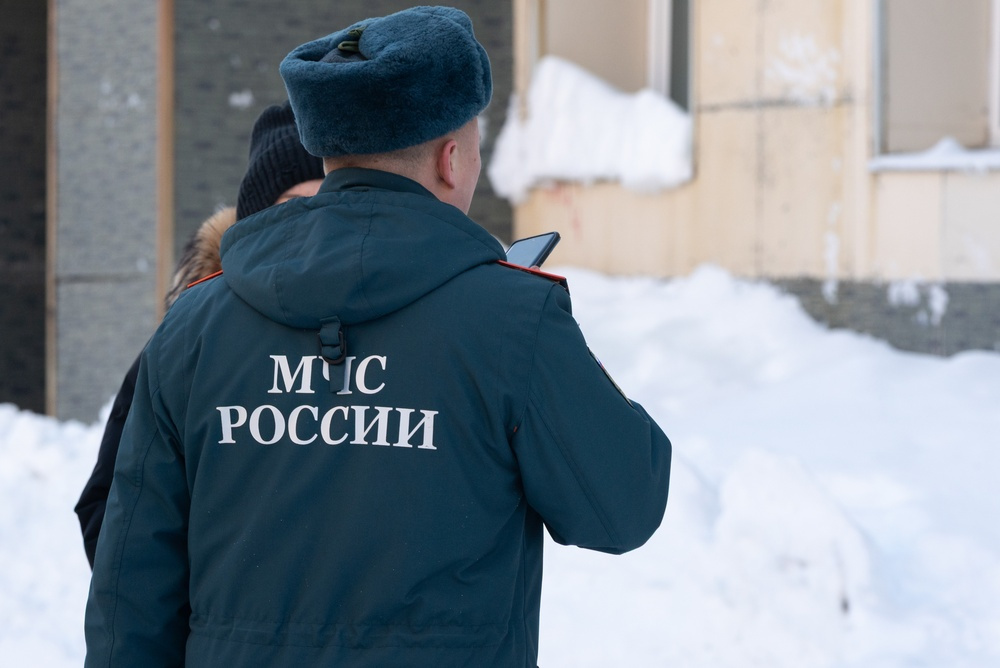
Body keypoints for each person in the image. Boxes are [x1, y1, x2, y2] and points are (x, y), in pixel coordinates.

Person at [83, 7, 671, 667]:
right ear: (452, 159)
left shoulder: (194, 324)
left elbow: (129, 591)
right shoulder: (513, 319)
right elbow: (623, 506)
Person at [73, 101, 324, 568]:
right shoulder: (190, 341)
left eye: (328, 203)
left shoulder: (387, 328)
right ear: (258, 218)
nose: (312, 223)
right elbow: (115, 519)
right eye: (293, 206)